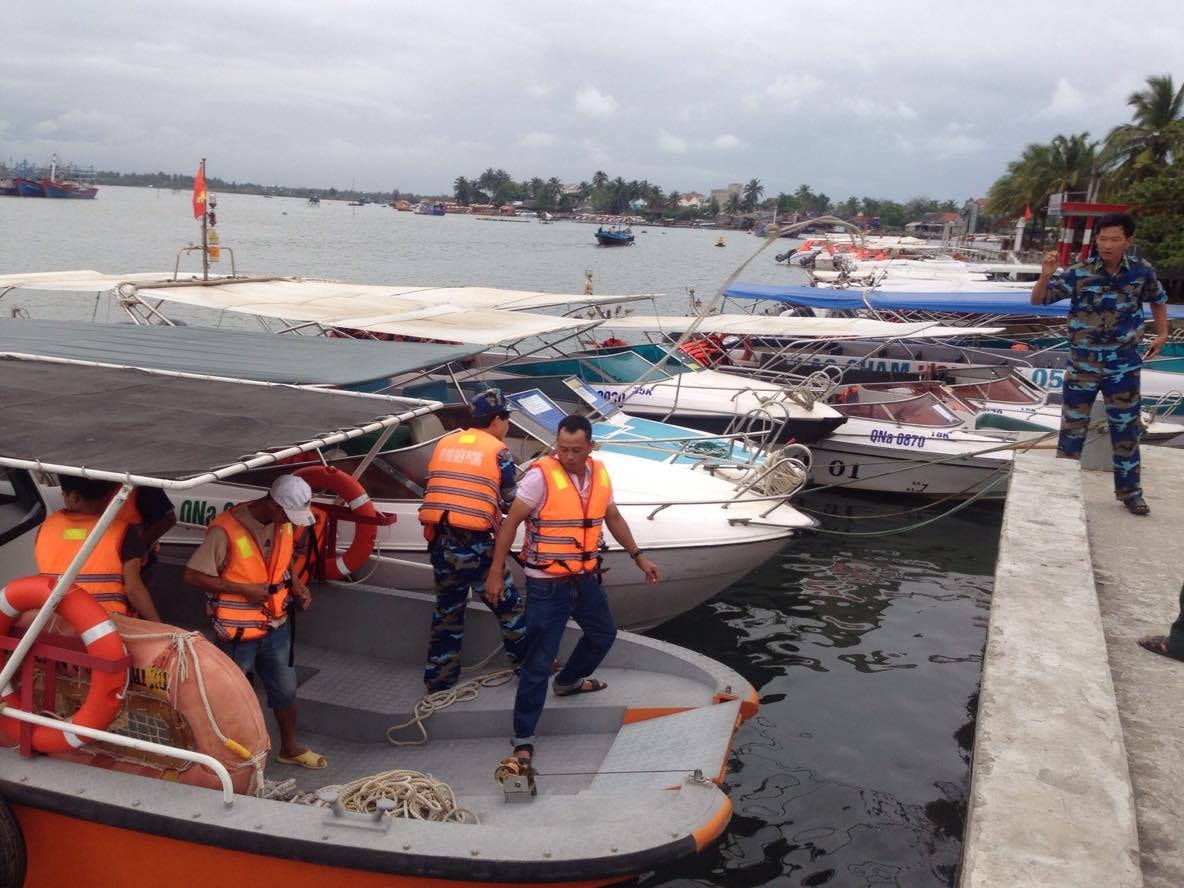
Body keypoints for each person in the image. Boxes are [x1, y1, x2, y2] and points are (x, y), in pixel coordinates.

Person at [484, 414, 660, 766]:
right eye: (561, 449)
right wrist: (494, 572)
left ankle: (568, 681)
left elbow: (612, 517)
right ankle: (523, 739)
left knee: (603, 634)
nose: (567, 456)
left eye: (575, 450)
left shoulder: (599, 474)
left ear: (590, 447)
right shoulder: (539, 478)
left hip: (584, 576)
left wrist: (638, 556)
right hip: (546, 583)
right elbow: (509, 526)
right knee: (537, 662)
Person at [1030, 212, 1168, 515]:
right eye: (1103, 239)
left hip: (1123, 367)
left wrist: (1162, 333)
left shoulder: (1141, 271)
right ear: (1096, 241)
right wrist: (1045, 275)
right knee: (1072, 431)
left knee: (1126, 431)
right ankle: (1062, 492)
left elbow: (1158, 298)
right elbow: (1038, 300)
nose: (1107, 245)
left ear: (1128, 241)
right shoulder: (1079, 272)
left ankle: (1131, 493)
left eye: (1115, 239)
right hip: (1083, 367)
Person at [182, 474, 324, 769]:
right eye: (288, 514)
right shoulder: (225, 531)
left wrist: (296, 584)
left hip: (277, 625)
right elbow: (192, 575)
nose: (292, 522)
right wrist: (243, 590)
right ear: (272, 504)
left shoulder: (284, 524)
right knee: (230, 696)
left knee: (285, 690)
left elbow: (281, 562)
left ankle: (290, 748)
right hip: (238, 635)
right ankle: (225, 759)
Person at [417, 389, 528, 693]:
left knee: (448, 612)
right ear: (497, 420)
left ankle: (439, 681)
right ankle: (528, 669)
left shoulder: (445, 443)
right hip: (474, 545)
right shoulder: (498, 451)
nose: (507, 426)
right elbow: (510, 502)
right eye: (507, 419)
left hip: (439, 541)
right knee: (509, 608)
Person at [36, 476, 162, 622]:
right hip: (106, 624)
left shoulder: (45, 527)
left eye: (63, 494)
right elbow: (133, 590)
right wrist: (160, 626)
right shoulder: (123, 532)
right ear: (107, 495)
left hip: (54, 617)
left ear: (74, 497)